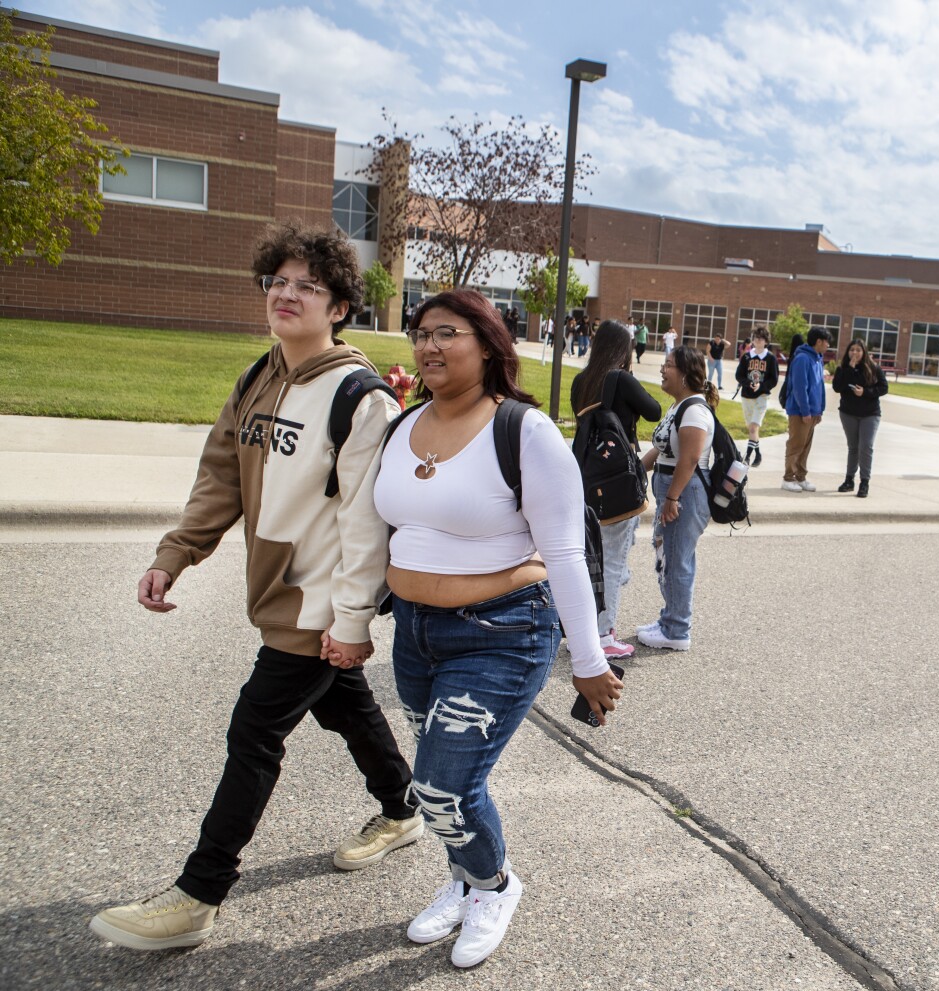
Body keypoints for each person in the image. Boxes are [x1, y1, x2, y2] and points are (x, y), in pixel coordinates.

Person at [90, 223, 419, 952]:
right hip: (277, 593)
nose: (287, 294)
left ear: (338, 306)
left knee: (254, 730)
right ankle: (403, 807)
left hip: (317, 598)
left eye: (308, 285)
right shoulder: (256, 378)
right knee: (343, 705)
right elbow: (218, 479)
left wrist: (352, 619)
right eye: (278, 280)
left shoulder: (360, 398)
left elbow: (368, 526)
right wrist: (175, 555)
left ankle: (198, 892)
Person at [376, 289, 623, 968]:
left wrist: (589, 658)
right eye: (420, 332)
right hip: (415, 634)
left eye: (446, 332)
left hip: (501, 634)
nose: (428, 345)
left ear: (488, 344)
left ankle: (494, 884)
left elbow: (566, 551)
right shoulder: (403, 428)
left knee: (442, 784)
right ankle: (463, 875)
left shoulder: (524, 431)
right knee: (442, 779)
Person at [571, 320, 662, 659]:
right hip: (618, 483)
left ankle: (584, 630)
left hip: (586, 480)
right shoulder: (621, 379)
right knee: (612, 560)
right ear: (623, 351)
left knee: (589, 558)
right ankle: (604, 636)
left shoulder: (582, 381)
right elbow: (653, 411)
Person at [638, 345, 717, 651]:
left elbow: (691, 458)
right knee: (665, 554)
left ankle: (677, 630)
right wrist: (637, 470)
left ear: (684, 375)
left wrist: (672, 498)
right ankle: (669, 618)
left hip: (685, 493)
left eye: (668, 365)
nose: (662, 369)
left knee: (676, 560)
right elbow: (661, 450)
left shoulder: (695, 410)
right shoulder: (679, 406)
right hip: (672, 490)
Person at [833, 337, 889, 498]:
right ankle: (849, 480)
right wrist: (849, 369)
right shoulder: (843, 368)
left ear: (863, 352)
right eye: (852, 350)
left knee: (866, 446)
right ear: (848, 352)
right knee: (853, 447)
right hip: (848, 413)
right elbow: (837, 387)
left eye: (858, 350)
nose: (855, 353)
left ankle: (864, 482)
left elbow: (884, 388)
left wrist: (865, 392)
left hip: (870, 414)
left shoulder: (873, 368)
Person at [782, 328, 829, 491]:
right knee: (796, 444)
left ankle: (800, 477)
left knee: (805, 446)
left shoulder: (817, 359)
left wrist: (820, 409)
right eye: (826, 341)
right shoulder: (802, 358)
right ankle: (788, 478)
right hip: (800, 411)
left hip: (813, 412)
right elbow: (800, 388)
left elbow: (820, 386)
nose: (828, 345)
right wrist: (805, 411)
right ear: (818, 341)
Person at [735, 327, 778, 467]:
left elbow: (774, 379)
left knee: (753, 427)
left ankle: (747, 457)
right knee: (752, 429)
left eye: (761, 338)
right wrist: (748, 383)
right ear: (752, 340)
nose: (758, 340)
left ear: (766, 341)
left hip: (762, 397)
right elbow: (739, 375)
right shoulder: (747, 357)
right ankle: (758, 454)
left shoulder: (771, 358)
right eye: (756, 337)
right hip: (747, 396)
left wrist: (761, 386)